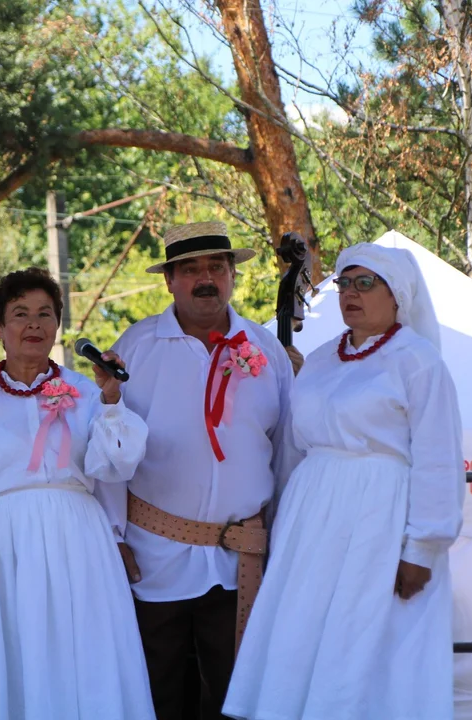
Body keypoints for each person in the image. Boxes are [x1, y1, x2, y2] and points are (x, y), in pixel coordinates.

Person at [223, 242, 465, 720]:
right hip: (312, 523)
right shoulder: (318, 360)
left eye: (365, 283)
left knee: (368, 644)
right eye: (344, 283)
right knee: (305, 635)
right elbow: (294, 450)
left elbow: (439, 461)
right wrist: (280, 525)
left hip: (380, 523)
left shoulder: (419, 362)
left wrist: (422, 549)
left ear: (397, 294)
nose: (350, 293)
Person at [0, 268, 156, 720]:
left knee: (80, 664)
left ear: (58, 325)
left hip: (78, 552)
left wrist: (113, 400)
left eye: (45, 314)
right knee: (4, 671)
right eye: (20, 314)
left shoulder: (85, 391)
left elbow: (116, 466)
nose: (33, 324)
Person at [98, 221, 298, 719]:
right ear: (169, 280)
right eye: (190, 269)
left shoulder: (268, 352)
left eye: (216, 266)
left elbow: (289, 453)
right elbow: (109, 446)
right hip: (153, 558)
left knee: (236, 701)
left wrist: (288, 539)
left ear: (232, 274)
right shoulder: (136, 347)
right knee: (158, 696)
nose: (205, 278)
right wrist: (113, 537)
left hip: (240, 566)